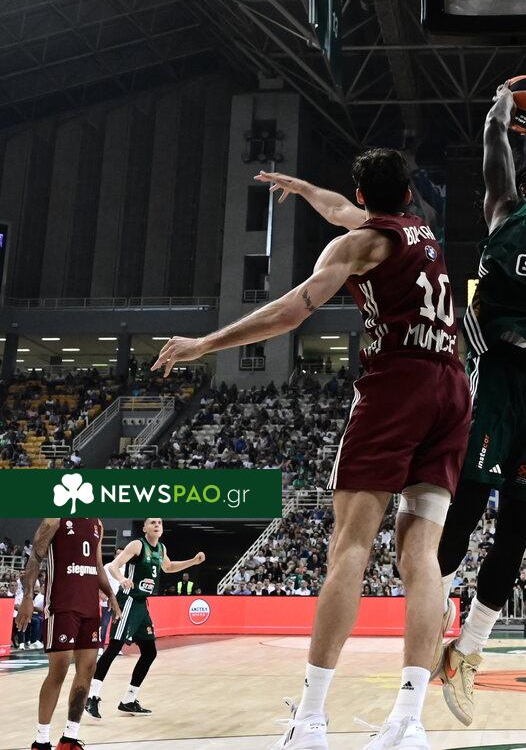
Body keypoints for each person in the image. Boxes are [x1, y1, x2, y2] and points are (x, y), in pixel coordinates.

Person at [264, 89, 526, 728]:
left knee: (518, 528)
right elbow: (494, 140)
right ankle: (429, 636)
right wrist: (505, 107)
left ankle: (468, 650)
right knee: (460, 514)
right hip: (494, 376)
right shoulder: (507, 209)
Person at [176, 147, 471, 749]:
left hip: (398, 387)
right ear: (408, 195)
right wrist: (307, 189)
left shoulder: (356, 245)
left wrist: (205, 344)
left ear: (365, 198)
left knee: (350, 548)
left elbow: (292, 311)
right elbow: (341, 209)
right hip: (452, 388)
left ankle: (310, 718)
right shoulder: (422, 233)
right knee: (422, 556)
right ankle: (409, 720)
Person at [85, 518, 204, 719]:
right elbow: (114, 566)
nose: (157, 525)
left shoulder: (161, 548)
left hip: (142, 604)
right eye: (152, 522)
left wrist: (192, 561)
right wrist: (122, 579)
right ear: (144, 528)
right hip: (129, 600)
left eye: (159, 523)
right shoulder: (137, 545)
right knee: (114, 648)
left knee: (149, 652)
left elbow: (169, 567)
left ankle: (129, 700)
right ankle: (92, 697)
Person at [17, 518, 119, 750]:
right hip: (61, 605)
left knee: (88, 669)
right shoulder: (55, 518)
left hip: (90, 607)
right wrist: (28, 597)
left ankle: (69, 738)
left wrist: (111, 596)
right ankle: (41, 741)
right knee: (59, 669)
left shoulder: (97, 523)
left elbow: (97, 565)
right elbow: (35, 557)